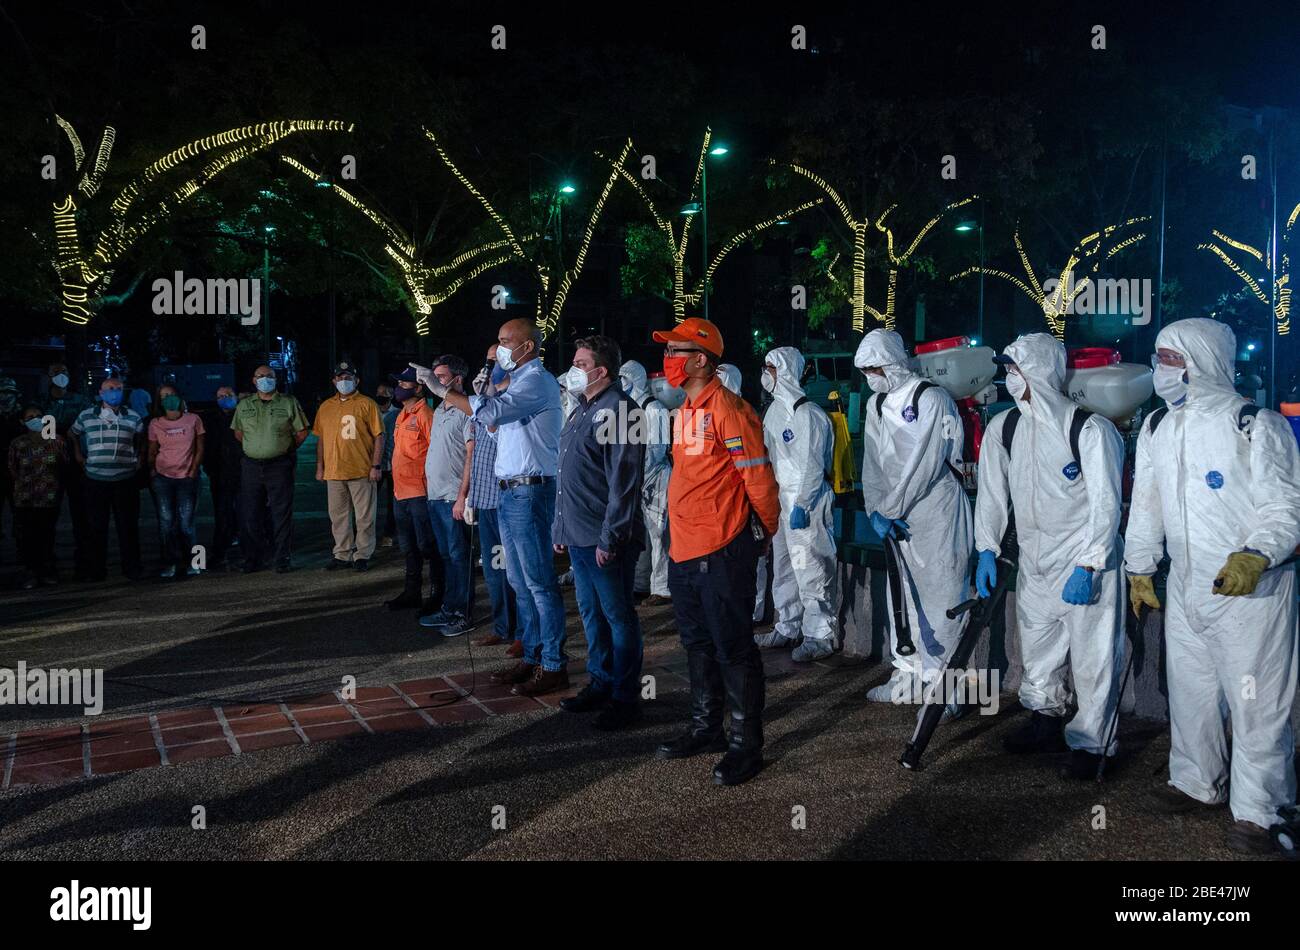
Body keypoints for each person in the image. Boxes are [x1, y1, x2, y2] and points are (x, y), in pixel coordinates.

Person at [1125, 317, 1300, 854]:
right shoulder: (1158, 427)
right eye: (1159, 358)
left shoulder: (1254, 423)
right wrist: (1139, 565)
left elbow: (1286, 506)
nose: (1160, 370)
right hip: (1186, 586)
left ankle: (1261, 810)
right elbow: (1147, 504)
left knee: (1255, 699)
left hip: (1250, 591)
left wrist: (1256, 554)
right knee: (1192, 691)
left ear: (1200, 361)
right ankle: (1196, 781)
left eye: (1170, 359)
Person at [974, 333, 1126, 779]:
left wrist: (1091, 563)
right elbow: (992, 495)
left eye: (1015, 370)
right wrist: (987, 547)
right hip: (1036, 560)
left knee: (1094, 656)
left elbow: (1106, 505)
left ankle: (1094, 744)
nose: (1008, 379)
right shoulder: (1006, 428)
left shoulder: (1090, 430)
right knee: (1038, 649)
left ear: (1037, 372)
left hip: (1083, 563)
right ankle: (1045, 719)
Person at [652, 318, 781, 786]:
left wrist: (764, 530)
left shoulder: (729, 410)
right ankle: (706, 729)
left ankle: (746, 745)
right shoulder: (687, 410)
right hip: (685, 550)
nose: (668, 360)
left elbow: (759, 478)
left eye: (676, 351)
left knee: (734, 648)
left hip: (722, 550)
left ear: (701, 359)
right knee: (698, 644)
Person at [412, 317, 567, 696]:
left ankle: (553, 664)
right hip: (510, 491)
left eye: (503, 342)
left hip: (530, 491)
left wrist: (443, 391)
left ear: (527, 347)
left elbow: (492, 414)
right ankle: (531, 655)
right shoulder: (515, 383)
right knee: (518, 580)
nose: (498, 351)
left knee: (539, 582)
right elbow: (491, 421)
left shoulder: (537, 382)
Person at [854, 328, 973, 704]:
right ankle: (906, 676)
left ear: (891, 363)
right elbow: (872, 464)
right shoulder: (875, 406)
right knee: (901, 594)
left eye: (874, 368)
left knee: (943, 596)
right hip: (895, 516)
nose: (870, 377)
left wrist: (888, 509)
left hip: (935, 511)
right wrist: (875, 509)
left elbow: (923, 464)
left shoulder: (931, 399)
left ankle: (945, 688)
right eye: (865, 371)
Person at [554, 336, 647, 730]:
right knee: (592, 615)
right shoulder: (582, 409)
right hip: (578, 535)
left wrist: (611, 538)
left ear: (601, 370)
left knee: (618, 617)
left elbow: (623, 483)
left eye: (579, 363)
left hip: (604, 539)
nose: (573, 369)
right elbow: (568, 475)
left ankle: (626, 697)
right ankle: (601, 681)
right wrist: (561, 527)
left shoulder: (622, 411)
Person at [754, 347, 839, 662]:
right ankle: (787, 625)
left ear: (786, 370)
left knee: (812, 568)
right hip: (781, 499)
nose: (766, 375)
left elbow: (812, 466)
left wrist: (801, 503)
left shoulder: (811, 416)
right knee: (785, 567)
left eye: (771, 368)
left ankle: (820, 635)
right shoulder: (775, 413)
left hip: (808, 502)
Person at [463, 346, 519, 655]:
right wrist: (470, 496)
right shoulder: (480, 405)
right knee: (493, 570)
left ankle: (525, 631)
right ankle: (502, 627)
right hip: (484, 499)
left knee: (516, 572)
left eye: (495, 360)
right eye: (487, 360)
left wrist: (490, 394)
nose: (488, 365)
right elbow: (473, 455)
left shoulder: (513, 396)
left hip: (508, 500)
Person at [418, 355, 476, 636]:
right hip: (435, 496)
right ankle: (449, 607)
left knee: (459, 556)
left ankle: (462, 614)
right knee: (446, 555)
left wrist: (462, 496)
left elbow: (471, 456)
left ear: (458, 379)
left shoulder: (467, 410)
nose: (435, 382)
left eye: (440, 378)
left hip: (453, 496)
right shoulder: (441, 409)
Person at [233, 366, 309, 573]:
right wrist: (257, 447)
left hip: (279, 465)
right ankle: (254, 558)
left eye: (269, 376)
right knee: (250, 513)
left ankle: (282, 558)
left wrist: (284, 448)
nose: (265, 379)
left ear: (276, 380)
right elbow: (239, 433)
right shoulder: (244, 405)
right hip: (251, 466)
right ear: (253, 380)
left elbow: (302, 432)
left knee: (281, 513)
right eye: (260, 376)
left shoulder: (288, 402)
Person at [70, 376, 146, 581]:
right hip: (95, 479)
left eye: (119, 388)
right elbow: (73, 433)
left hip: (125, 478)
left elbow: (141, 438)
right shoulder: (86, 415)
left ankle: (131, 567)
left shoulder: (133, 416)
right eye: (110, 388)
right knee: (96, 527)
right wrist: (78, 454)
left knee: (128, 526)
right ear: (101, 393)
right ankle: (96, 570)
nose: (115, 392)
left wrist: (139, 456)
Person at [312, 362, 384, 572]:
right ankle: (342, 554)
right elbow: (321, 439)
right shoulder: (326, 406)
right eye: (340, 378)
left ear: (357, 380)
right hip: (334, 472)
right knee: (338, 516)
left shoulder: (367, 404)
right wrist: (320, 466)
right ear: (334, 381)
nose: (344, 381)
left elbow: (379, 436)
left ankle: (362, 554)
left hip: (361, 470)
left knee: (364, 516)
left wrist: (376, 465)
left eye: (348, 378)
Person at [386, 367, 441, 612]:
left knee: (427, 546)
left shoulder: (425, 415)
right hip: (401, 492)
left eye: (404, 383)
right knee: (409, 548)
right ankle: (412, 592)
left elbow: (436, 453)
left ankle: (437, 594)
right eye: (398, 381)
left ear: (418, 388)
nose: (399, 386)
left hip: (420, 492)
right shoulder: (402, 415)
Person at [718, 365, 769, 624]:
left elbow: (754, 465)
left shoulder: (743, 414)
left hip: (745, 500)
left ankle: (753, 611)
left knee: (751, 561)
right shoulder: (710, 412)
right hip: (724, 503)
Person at [621, 359, 672, 607]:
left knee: (658, 534)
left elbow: (658, 449)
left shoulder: (655, 409)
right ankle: (641, 584)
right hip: (635, 479)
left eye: (625, 379)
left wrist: (637, 470)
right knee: (639, 534)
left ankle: (662, 587)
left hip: (655, 477)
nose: (621, 385)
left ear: (635, 380)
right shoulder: (626, 410)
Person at [147, 383, 205, 579]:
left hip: (187, 477)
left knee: (187, 522)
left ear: (179, 397)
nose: (168, 398)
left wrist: (194, 469)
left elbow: (200, 446)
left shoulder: (193, 419)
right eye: (163, 396)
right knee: (166, 522)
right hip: (163, 478)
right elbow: (152, 450)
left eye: (171, 394)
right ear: (159, 401)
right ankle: (169, 563)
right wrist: (152, 470)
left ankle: (196, 562)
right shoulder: (155, 423)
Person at [41, 363, 93, 578]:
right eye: (56, 372)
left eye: (65, 372)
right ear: (49, 376)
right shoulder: (41, 401)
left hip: (77, 462)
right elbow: (43, 432)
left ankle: (84, 563)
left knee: (81, 515)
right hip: (50, 465)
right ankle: (46, 565)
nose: (61, 376)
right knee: (47, 516)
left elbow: (88, 424)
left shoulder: (80, 400)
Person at [8, 405, 62, 588]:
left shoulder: (55, 440)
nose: (36, 419)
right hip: (25, 497)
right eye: (30, 417)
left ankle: (46, 570)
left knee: (46, 534)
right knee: (26, 535)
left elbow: (65, 463)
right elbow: (12, 469)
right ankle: (29, 571)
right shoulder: (18, 443)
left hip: (48, 496)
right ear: (23, 421)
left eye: (39, 415)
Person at [201, 385, 243, 570]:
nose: (225, 398)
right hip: (219, 474)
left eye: (228, 395)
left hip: (243, 472)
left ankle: (251, 551)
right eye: (220, 396)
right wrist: (209, 468)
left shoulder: (244, 415)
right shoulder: (211, 419)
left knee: (247, 513)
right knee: (222, 514)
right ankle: (220, 553)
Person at [0, 378, 21, 561]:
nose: (5, 397)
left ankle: (25, 557)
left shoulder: (23, 415)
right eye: (2, 393)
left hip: (19, 473)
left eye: (9, 393)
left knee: (21, 515)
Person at [375, 382, 398, 547]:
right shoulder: (371, 411)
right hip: (374, 465)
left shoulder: (397, 414)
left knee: (393, 504)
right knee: (369, 503)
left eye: (385, 393)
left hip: (392, 466)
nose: (381, 396)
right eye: (379, 392)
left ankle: (389, 534)